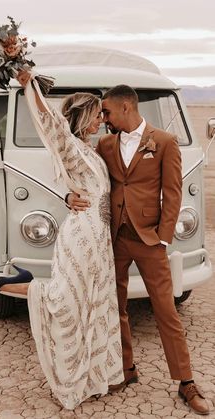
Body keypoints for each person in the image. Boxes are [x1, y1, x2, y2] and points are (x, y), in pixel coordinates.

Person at [67, 84, 210, 415]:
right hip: (113, 238)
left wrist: (162, 237)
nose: (103, 119)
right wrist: (68, 197)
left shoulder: (164, 142)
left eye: (107, 112)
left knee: (166, 311)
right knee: (115, 308)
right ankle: (125, 370)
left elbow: (173, 193)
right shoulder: (104, 144)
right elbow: (82, 178)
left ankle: (186, 381)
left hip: (148, 239)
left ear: (126, 108)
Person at [0, 71, 124, 410]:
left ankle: (94, 377)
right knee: (66, 302)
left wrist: (68, 195)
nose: (100, 122)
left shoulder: (91, 152)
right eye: (96, 116)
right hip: (80, 237)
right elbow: (52, 124)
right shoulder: (72, 149)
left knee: (94, 306)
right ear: (83, 116)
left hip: (100, 240)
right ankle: (13, 285)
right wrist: (28, 85)